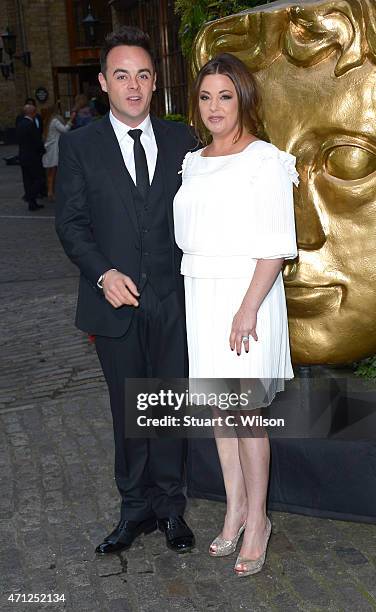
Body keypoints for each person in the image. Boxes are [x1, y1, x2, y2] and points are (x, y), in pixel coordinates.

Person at [55, 26, 196, 555]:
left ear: (154, 82)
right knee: (127, 411)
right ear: (103, 83)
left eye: (142, 75)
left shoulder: (184, 139)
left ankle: (171, 510)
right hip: (113, 304)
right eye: (121, 75)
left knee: (168, 409)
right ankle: (133, 509)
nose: (132, 86)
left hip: (175, 302)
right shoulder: (79, 145)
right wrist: (102, 273)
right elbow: (70, 224)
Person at [173, 53, 298, 576]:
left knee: (246, 416)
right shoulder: (193, 160)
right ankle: (235, 511)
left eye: (225, 95)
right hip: (200, 292)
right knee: (221, 415)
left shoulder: (265, 159)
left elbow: (275, 246)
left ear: (243, 98)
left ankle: (260, 520)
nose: (214, 107)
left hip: (247, 295)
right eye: (205, 97)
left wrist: (247, 309)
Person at [42, 104, 76, 200]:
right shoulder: (54, 121)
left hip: (49, 148)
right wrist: (71, 120)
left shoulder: (47, 121)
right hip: (54, 150)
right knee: (53, 172)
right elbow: (65, 130)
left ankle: (50, 191)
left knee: (51, 172)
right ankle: (51, 192)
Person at [16, 104, 46, 211]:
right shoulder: (30, 124)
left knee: (28, 180)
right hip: (32, 157)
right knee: (39, 179)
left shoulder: (20, 124)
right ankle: (29, 196)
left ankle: (32, 203)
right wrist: (43, 150)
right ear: (32, 113)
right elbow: (36, 141)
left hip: (23, 156)